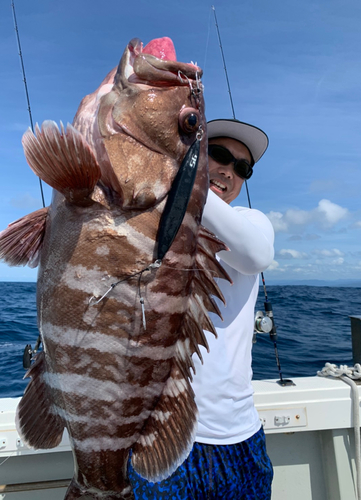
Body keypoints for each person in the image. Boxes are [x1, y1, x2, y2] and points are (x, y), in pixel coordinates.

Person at [129, 118, 275, 499]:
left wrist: (184, 177)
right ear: (197, 154)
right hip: (156, 435)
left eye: (242, 167)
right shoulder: (151, 223)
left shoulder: (248, 221)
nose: (229, 170)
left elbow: (256, 254)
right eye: (219, 155)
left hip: (237, 437)